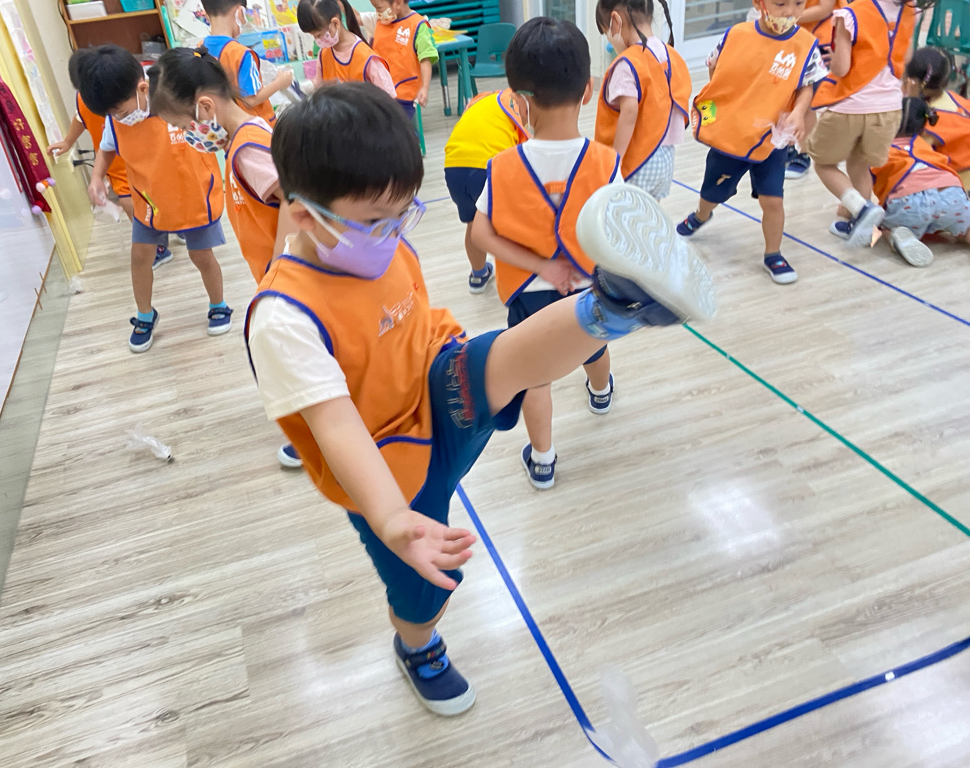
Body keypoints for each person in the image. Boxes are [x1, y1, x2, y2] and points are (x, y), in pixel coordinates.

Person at [245, 77, 716, 716]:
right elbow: (336, 427)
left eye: (405, 213)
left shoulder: (378, 241)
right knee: (426, 589)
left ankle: (617, 305)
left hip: (434, 385)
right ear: (304, 216)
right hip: (387, 468)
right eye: (378, 222)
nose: (394, 233)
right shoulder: (283, 318)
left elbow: (414, 316)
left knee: (508, 356)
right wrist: (391, 519)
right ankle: (417, 645)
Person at [470, 19, 619, 490]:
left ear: (519, 100)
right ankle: (600, 392)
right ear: (589, 90)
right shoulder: (606, 162)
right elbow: (618, 229)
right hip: (587, 288)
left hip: (528, 292)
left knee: (535, 378)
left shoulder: (502, 166)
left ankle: (543, 460)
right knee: (593, 346)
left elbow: (480, 234)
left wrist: (540, 266)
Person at [149, 45, 304, 470]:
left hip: (290, 276)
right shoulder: (241, 139)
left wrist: (280, 268)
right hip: (282, 275)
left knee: (290, 352)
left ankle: (324, 430)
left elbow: (294, 198)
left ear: (204, 107)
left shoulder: (248, 147)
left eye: (183, 126)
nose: (188, 134)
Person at [78, 45, 231, 353]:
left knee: (202, 257)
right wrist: (96, 179)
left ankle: (219, 304)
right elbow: (107, 148)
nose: (118, 118)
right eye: (111, 114)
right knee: (139, 258)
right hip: (149, 201)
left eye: (121, 112)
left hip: (193, 197)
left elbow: (218, 132)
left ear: (143, 88)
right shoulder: (116, 118)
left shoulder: (175, 100)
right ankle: (145, 315)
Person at [676, 0, 827, 284]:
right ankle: (701, 215)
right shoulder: (736, 35)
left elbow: (806, 84)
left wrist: (797, 112)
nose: (790, 12)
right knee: (712, 194)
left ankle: (773, 254)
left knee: (773, 201)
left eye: (798, 3)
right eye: (781, 3)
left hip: (772, 141)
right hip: (732, 137)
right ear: (760, 3)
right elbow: (715, 70)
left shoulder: (806, 45)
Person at [807, 0, 919, 245]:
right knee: (859, 164)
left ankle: (861, 209)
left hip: (851, 105)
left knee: (823, 164)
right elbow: (906, 56)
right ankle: (859, 223)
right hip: (890, 107)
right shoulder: (910, 10)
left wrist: (833, 57)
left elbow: (842, 68)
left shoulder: (851, 14)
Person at [48, 53, 173, 269]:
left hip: (149, 159)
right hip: (116, 164)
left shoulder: (135, 92)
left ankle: (177, 226)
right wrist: (68, 142)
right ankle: (156, 245)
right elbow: (80, 119)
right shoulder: (88, 101)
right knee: (130, 201)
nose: (115, 116)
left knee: (162, 197)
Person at [594, 0, 691, 200]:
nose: (610, 41)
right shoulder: (670, 54)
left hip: (637, 162)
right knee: (649, 213)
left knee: (625, 214)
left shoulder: (628, 63)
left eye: (607, 34)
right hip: (665, 159)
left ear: (615, 21)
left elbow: (629, 110)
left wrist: (615, 160)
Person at [443, 89, 529, 293]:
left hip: (453, 167)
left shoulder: (481, 101)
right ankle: (518, 278)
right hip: (488, 168)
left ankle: (478, 275)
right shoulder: (514, 104)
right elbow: (528, 154)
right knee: (508, 226)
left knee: (473, 222)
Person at [870, 97, 970, 266]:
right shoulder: (924, 144)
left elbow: (866, 189)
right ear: (924, 127)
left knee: (885, 225)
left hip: (911, 204)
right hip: (952, 195)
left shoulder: (881, 149)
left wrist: (852, 208)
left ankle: (897, 236)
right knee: (966, 227)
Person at [201, 0, 295, 125]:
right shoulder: (241, 54)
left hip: (223, 126)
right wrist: (280, 82)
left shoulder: (200, 48)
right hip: (253, 126)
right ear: (240, 12)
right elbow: (250, 100)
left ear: (206, 15)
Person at [782, 0, 844, 178]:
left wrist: (784, 16)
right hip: (788, 37)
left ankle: (803, 153)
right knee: (785, 96)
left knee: (807, 100)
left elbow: (824, 9)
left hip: (819, 41)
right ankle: (787, 147)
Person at [297, 0, 396, 97]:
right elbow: (319, 84)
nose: (317, 40)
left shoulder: (367, 59)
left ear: (335, 23)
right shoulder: (323, 54)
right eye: (313, 36)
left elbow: (388, 99)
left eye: (319, 35)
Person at [904, 47, 970, 189]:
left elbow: (915, 161)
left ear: (913, 82)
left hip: (958, 185)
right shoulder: (956, 98)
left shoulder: (929, 125)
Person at [369, 0, 438, 119]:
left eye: (379, 8)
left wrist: (425, 87)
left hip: (404, 94)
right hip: (380, 92)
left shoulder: (418, 25)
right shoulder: (381, 22)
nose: (377, 12)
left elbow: (425, 59)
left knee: (399, 126)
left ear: (398, 3)